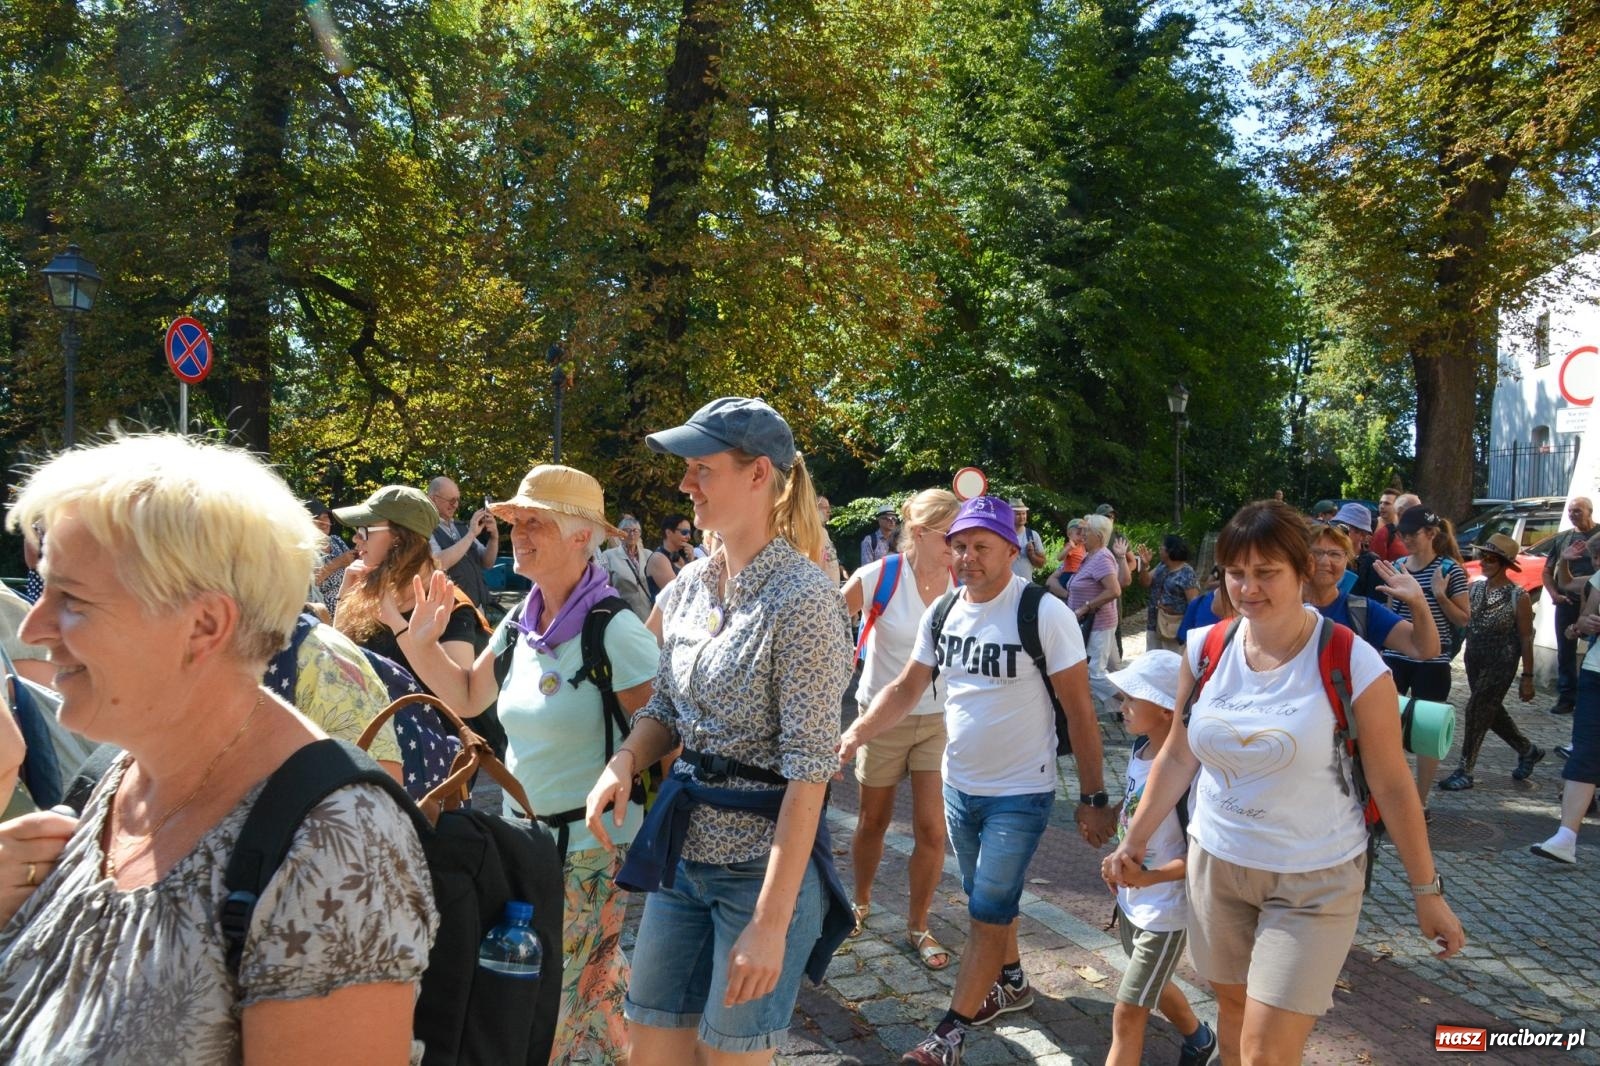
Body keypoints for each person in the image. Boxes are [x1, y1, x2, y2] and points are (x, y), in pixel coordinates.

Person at [0, 433, 436, 1062]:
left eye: (72, 599)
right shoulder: (113, 778)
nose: (34, 627)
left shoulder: (334, 846)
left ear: (203, 626)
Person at [1106, 499, 1464, 1066]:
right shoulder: (1204, 649)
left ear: (1304, 571)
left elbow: (1393, 786)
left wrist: (1428, 894)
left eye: (1266, 572)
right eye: (1236, 572)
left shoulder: (1353, 659)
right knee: (1232, 1012)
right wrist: (1136, 838)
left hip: (1315, 879)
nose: (1249, 588)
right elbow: (1177, 753)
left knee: (1264, 1051)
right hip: (1216, 864)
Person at [585, 397, 854, 1066]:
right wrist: (625, 759)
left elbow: (809, 775)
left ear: (759, 474)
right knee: (651, 1051)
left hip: (759, 871)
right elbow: (666, 711)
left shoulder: (803, 601)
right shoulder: (688, 589)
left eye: (701, 469)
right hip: (684, 859)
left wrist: (770, 923)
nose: (684, 485)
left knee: (728, 1058)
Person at [839, 495, 1114, 1066]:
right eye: (959, 546)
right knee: (988, 894)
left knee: (986, 904)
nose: (967, 558)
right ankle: (1011, 980)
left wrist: (1092, 798)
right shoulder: (944, 613)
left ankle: (949, 1034)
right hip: (960, 787)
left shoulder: (1043, 613)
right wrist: (856, 734)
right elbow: (905, 690)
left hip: (1022, 790)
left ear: (1011, 551)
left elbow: (1081, 712)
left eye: (981, 547)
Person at [405, 465, 659, 1065]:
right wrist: (418, 644)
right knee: (590, 988)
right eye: (515, 521)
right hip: (528, 841)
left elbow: (667, 730)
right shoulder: (524, 621)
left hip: (589, 847)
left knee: (555, 996)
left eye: (535, 522)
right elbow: (468, 696)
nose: (517, 532)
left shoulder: (614, 628)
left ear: (581, 537)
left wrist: (625, 771)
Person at [840, 488, 960, 972]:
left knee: (933, 830)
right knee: (874, 821)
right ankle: (861, 901)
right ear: (922, 532)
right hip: (882, 718)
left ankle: (918, 924)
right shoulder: (879, 576)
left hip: (940, 721)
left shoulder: (963, 581)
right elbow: (822, 631)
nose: (961, 544)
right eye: (952, 534)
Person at [1098, 651, 1216, 1066]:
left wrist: (1149, 879)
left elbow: (1201, 857)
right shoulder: (1141, 747)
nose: (1122, 706)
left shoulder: (1194, 776)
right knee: (1155, 984)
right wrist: (1118, 854)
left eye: (1132, 698)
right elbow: (1134, 813)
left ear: (1168, 710)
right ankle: (1199, 1037)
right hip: (1132, 903)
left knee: (1128, 1011)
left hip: (1166, 911)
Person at [334, 486, 487, 700]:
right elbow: (338, 662)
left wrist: (396, 622)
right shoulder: (372, 590)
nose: (356, 539)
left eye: (364, 530)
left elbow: (461, 699)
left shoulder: (450, 606)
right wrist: (345, 595)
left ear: (399, 538)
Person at [1437, 533, 1542, 791]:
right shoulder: (1475, 588)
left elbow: (1527, 638)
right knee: (1489, 711)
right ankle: (1527, 749)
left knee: (1475, 709)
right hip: (1475, 658)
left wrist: (1527, 678)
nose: (1483, 562)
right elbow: (1462, 622)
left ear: (1504, 563)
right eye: (1482, 556)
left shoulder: (1519, 596)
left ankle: (1465, 769)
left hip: (1502, 661)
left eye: (1491, 558)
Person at [1384, 504, 1470, 806]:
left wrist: (1439, 596)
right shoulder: (1397, 566)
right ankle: (1390, 794)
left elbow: (1463, 619)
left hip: (1432, 662)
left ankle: (1419, 802)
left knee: (1427, 732)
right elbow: (1390, 614)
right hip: (1396, 656)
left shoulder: (1449, 570)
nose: (1405, 540)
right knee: (1386, 725)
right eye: (1402, 534)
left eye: (1411, 534)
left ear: (1431, 533)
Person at [1532, 531, 1600, 864]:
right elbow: (1581, 615)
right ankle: (1566, 837)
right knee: (1585, 751)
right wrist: (1583, 624)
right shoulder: (1599, 579)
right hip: (1596, 673)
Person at [1303, 522, 1439, 661]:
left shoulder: (1362, 612)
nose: (1325, 561)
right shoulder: (1282, 607)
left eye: (1335, 554)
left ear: (1346, 561)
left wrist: (1418, 601)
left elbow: (1425, 650)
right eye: (1316, 553)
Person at [1542, 496, 1596, 716]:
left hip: (1594, 602)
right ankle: (1567, 697)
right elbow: (1547, 571)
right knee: (1566, 651)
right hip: (1567, 601)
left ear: (1590, 511)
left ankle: (1589, 698)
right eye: (1570, 511)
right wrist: (1554, 594)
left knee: (1592, 648)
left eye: (1577, 511)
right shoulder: (1563, 539)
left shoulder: (1598, 536)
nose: (1572, 514)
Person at [1067, 513, 1121, 714]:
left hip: (1098, 624)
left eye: (1086, 531)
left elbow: (1114, 590)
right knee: (1090, 671)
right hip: (1088, 624)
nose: (1082, 534)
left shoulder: (1102, 557)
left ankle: (1134, 702)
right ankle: (1122, 711)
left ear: (1098, 535)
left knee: (1095, 673)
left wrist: (1086, 607)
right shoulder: (1091, 556)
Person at [427, 475, 500, 612]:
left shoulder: (462, 527)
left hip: (479, 608)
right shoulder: (425, 529)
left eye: (457, 500)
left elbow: (487, 562)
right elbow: (438, 562)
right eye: (451, 500)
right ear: (433, 499)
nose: (455, 505)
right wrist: (471, 534)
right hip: (453, 613)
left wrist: (494, 538)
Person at [1137, 535, 1199, 653]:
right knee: (1153, 661)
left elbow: (1193, 604)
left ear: (1170, 551)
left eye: (1162, 547)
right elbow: (1145, 582)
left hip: (1173, 626)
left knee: (1172, 663)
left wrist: (1176, 612)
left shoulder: (1187, 573)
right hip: (1154, 624)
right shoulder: (1162, 566)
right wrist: (1144, 566)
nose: (1159, 550)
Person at [306, 498, 357, 615]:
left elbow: (351, 565)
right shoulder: (304, 549)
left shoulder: (335, 540)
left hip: (350, 604)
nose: (323, 522)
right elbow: (307, 585)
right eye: (316, 518)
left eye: (325, 517)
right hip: (324, 614)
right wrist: (338, 563)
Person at [601, 513, 653, 620]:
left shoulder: (649, 555)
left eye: (635, 530)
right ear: (620, 534)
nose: (631, 534)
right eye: (627, 530)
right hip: (622, 614)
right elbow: (605, 588)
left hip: (648, 614)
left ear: (640, 534)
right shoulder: (608, 556)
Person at [645, 514, 694, 603]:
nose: (688, 537)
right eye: (684, 532)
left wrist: (691, 560)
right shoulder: (658, 558)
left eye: (689, 533)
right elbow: (678, 593)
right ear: (668, 533)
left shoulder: (683, 554)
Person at [1044, 518, 1086, 601]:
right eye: (1078, 534)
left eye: (1083, 535)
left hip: (1076, 574)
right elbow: (1059, 557)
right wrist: (1068, 549)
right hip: (1069, 574)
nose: (1081, 537)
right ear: (1069, 534)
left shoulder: (1082, 546)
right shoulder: (1070, 546)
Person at [1008, 499, 1047, 579]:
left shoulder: (1032, 535)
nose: (1022, 517)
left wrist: (1032, 555)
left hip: (1026, 585)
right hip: (1005, 586)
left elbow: (1041, 564)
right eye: (1018, 514)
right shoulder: (1002, 535)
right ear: (1010, 515)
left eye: (1024, 513)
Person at [1369, 488, 1405, 562]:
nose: (1382, 506)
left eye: (1387, 503)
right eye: (1380, 503)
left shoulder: (1405, 528)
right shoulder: (1371, 525)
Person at [817, 496, 844, 584]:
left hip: (831, 590)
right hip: (821, 588)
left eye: (829, 508)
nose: (829, 511)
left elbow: (828, 557)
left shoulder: (823, 531)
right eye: (825, 508)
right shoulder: (812, 532)